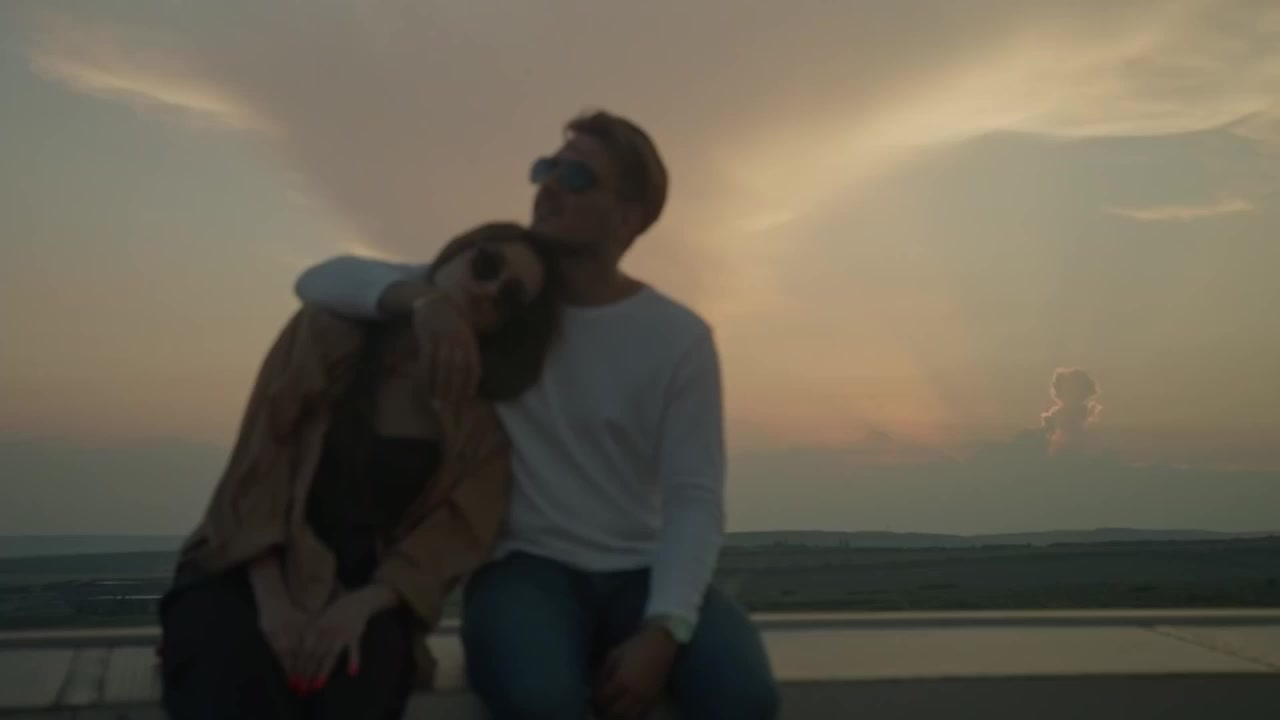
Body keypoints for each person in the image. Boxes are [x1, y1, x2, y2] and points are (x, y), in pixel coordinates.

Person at [294, 110, 781, 720]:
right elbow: (320, 279)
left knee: (745, 698)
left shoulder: (677, 339)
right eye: (547, 168)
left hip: (643, 569)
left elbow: (694, 498)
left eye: (576, 177)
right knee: (541, 704)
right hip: (523, 571)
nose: (549, 186)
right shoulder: (503, 301)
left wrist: (665, 630)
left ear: (626, 218)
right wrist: (425, 303)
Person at [159, 222, 562, 720]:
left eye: (509, 298)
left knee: (355, 692)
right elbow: (260, 461)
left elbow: (453, 533)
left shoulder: (481, 420)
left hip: (368, 595)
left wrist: (362, 606)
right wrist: (274, 604)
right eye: (485, 265)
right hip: (247, 567)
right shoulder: (326, 333)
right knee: (234, 682)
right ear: (452, 256)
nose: (487, 292)